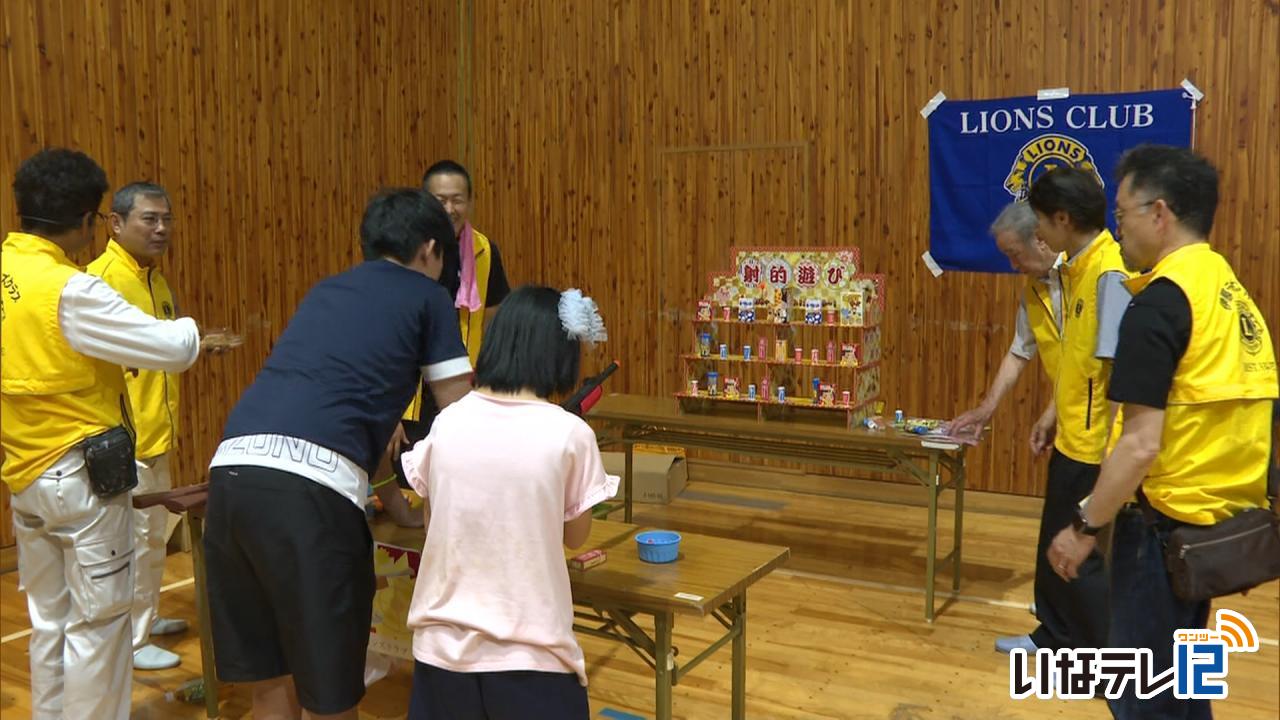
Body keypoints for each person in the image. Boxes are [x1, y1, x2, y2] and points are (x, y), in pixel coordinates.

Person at [203, 189, 473, 719]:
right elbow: (462, 415)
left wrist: (393, 487)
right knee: (329, 698)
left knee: (269, 684)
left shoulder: (328, 290)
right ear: (428, 249)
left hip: (231, 477)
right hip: (308, 498)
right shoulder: (427, 297)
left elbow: (341, 397)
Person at [1049, 145, 1277, 719]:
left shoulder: (1159, 302)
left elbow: (1140, 442)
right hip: (1213, 533)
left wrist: (1082, 528)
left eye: (1121, 213)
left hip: (1162, 536)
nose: (1116, 227)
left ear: (1160, 213)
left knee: (1142, 698)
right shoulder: (1231, 292)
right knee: (1182, 688)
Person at [2, 148, 205, 719]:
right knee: (100, 627)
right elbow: (174, 348)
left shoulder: (7, 271)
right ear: (92, 221)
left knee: (50, 621)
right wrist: (194, 331)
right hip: (80, 481)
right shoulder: (70, 289)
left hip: (24, 474)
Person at [400, 285, 616, 720]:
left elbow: (433, 522)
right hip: (533, 656)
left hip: (440, 654)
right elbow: (576, 537)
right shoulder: (570, 434)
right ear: (561, 354)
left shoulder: (448, 421)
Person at [994, 166, 1130, 655]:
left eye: (1041, 224)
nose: (1039, 236)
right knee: (1054, 538)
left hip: (1096, 445)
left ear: (1061, 219)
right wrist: (1053, 413)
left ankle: (1096, 657)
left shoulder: (1109, 273)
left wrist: (1113, 451)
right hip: (1073, 434)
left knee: (1084, 552)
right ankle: (1053, 634)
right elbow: (1079, 360)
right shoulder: (1074, 271)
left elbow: (1120, 377)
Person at [87, 181, 199, 670]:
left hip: (158, 435)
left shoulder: (153, 279)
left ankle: (145, 617)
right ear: (115, 223)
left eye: (166, 219)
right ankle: (129, 642)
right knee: (130, 541)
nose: (160, 228)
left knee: (153, 536)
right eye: (149, 219)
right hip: (125, 439)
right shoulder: (102, 280)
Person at [376, 160, 513, 523]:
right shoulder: (404, 252)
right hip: (411, 394)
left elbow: (496, 319)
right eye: (440, 200)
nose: (450, 209)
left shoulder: (484, 251)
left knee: (461, 485)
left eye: (458, 199)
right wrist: (390, 410)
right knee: (413, 485)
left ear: (470, 202)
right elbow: (387, 335)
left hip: (462, 387)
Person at [950, 201, 1063, 437]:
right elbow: (1018, 352)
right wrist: (986, 408)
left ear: (1040, 239)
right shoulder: (1033, 289)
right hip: (1071, 421)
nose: (1013, 265)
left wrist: (1053, 411)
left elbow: (1087, 362)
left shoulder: (1082, 274)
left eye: (1015, 254)